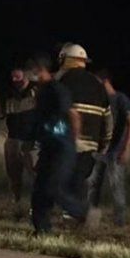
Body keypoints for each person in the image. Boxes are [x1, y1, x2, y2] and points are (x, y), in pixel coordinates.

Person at [28, 53, 86, 234]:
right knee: (39, 191)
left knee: (54, 188)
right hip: (48, 147)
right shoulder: (40, 93)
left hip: (62, 147)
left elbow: (73, 115)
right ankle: (42, 230)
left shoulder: (56, 89)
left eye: (33, 70)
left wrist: (72, 141)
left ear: (41, 70)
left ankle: (82, 212)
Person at [55, 43, 111, 219]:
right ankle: (76, 214)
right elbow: (107, 119)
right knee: (79, 178)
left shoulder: (62, 81)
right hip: (91, 143)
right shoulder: (98, 85)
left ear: (66, 60)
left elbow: (55, 112)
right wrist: (104, 143)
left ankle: (75, 213)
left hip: (67, 139)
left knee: (58, 179)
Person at [0, 67, 38, 216]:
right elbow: (2, 114)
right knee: (13, 177)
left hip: (31, 142)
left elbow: (23, 106)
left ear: (26, 75)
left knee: (36, 177)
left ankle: (37, 209)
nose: (14, 80)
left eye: (17, 77)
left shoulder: (37, 92)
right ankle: (15, 206)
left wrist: (1, 107)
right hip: (13, 139)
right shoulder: (9, 92)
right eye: (12, 77)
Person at [87, 69, 130, 226]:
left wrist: (126, 148)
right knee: (92, 185)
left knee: (116, 186)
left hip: (115, 151)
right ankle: (91, 218)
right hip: (99, 150)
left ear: (105, 81)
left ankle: (119, 222)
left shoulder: (121, 99)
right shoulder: (99, 100)